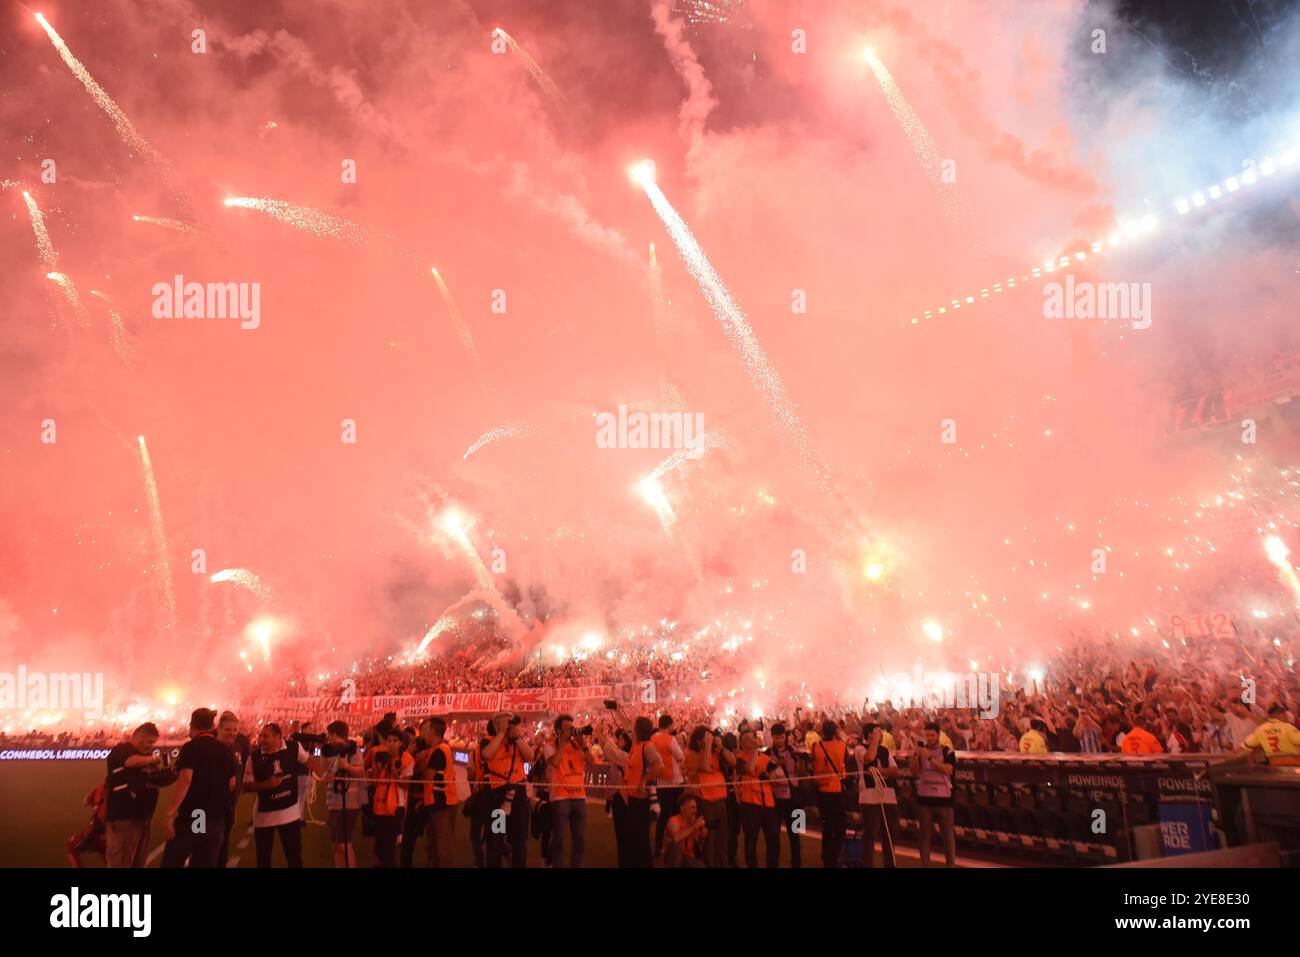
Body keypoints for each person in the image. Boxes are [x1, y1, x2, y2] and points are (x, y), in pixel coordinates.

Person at [161, 708, 238, 868]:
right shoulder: (226, 749)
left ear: (192, 725)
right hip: (216, 819)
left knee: (172, 862)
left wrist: (170, 813)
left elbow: (186, 779)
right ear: (212, 726)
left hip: (196, 816)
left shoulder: (192, 747)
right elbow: (232, 784)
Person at [597, 715, 664, 867]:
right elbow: (626, 727)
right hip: (634, 800)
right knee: (636, 841)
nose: (630, 731)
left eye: (633, 729)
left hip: (641, 801)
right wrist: (615, 710)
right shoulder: (637, 746)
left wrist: (644, 779)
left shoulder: (648, 747)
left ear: (638, 731)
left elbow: (659, 766)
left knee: (641, 843)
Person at [243, 723, 312, 868]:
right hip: (263, 818)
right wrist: (266, 784)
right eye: (260, 735)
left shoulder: (294, 747)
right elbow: (246, 786)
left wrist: (324, 774)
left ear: (278, 737)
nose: (261, 739)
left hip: (290, 815)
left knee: (294, 857)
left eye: (265, 736)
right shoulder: (254, 757)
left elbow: (308, 760)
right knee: (263, 859)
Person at [105, 722, 171, 868]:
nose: (150, 746)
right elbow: (130, 762)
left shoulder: (145, 756)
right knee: (120, 860)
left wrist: (168, 775)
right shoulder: (122, 749)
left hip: (143, 817)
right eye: (149, 742)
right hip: (123, 816)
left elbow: (153, 780)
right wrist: (152, 759)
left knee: (138, 861)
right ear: (139, 737)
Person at [480, 711, 533, 868]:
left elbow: (529, 756)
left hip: (518, 797)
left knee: (518, 842)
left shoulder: (517, 742)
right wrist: (502, 733)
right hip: (498, 797)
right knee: (496, 840)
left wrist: (516, 737)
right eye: (507, 723)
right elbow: (487, 754)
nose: (511, 726)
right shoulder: (488, 741)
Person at [545, 714, 598, 868]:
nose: (571, 732)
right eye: (568, 729)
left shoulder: (578, 745)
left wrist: (583, 745)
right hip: (560, 798)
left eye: (572, 728)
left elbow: (592, 763)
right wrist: (562, 743)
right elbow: (555, 762)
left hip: (579, 797)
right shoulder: (550, 745)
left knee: (579, 841)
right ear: (558, 730)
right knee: (559, 840)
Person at [685, 726, 732, 868]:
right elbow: (705, 766)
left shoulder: (715, 753)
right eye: (705, 738)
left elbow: (733, 761)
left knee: (722, 837)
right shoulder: (693, 755)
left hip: (720, 801)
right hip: (705, 802)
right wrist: (707, 745)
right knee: (709, 839)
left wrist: (721, 748)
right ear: (699, 741)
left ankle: (720, 863)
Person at [911, 721, 957, 867]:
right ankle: (925, 864)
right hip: (924, 799)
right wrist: (917, 756)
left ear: (938, 735)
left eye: (932, 735)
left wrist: (930, 757)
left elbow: (947, 769)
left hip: (944, 799)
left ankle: (951, 865)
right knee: (924, 836)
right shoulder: (921, 751)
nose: (929, 738)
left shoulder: (947, 751)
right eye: (927, 735)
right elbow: (913, 771)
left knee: (948, 836)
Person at [854, 723, 900, 867]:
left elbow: (895, 771)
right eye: (878, 733)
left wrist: (881, 771)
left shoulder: (885, 750)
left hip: (888, 797)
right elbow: (869, 757)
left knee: (889, 836)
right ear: (869, 734)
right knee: (870, 836)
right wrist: (874, 739)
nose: (881, 736)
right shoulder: (859, 748)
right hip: (869, 798)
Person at [415, 717, 459, 866]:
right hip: (437, 802)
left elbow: (428, 777)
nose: (422, 733)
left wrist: (420, 761)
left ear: (432, 731)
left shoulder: (439, 751)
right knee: (433, 845)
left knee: (442, 846)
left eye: (425, 729)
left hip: (442, 803)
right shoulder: (437, 749)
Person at [321, 720, 364, 868]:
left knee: (343, 844)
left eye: (329, 735)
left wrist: (347, 767)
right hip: (333, 802)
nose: (328, 738)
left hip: (349, 802)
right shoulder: (331, 751)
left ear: (333, 734)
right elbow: (326, 774)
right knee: (335, 844)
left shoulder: (352, 750)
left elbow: (360, 772)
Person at [368, 727, 414, 867]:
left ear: (401, 743)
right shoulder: (381, 756)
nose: (391, 743)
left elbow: (406, 786)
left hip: (395, 808)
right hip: (379, 806)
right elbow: (375, 781)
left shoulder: (407, 759)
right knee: (379, 847)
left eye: (395, 740)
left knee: (388, 848)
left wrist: (394, 773)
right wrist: (375, 770)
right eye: (389, 740)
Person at [736, 728, 781, 867]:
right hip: (749, 804)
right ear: (741, 744)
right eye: (747, 739)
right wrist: (756, 749)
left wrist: (770, 776)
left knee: (773, 840)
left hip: (768, 804)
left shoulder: (766, 758)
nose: (751, 741)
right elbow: (750, 768)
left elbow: (776, 777)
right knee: (750, 840)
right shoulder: (739, 759)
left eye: (752, 738)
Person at [811, 719, 847, 868]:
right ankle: (833, 858)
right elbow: (844, 749)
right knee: (839, 829)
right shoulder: (841, 746)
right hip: (837, 791)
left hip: (822, 791)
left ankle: (826, 858)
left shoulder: (815, 746)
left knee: (826, 828)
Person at [215, 711, 250, 868]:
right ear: (219, 729)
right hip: (202, 809)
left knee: (223, 841)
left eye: (235, 730)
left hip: (228, 804)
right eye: (228, 729)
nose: (232, 733)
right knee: (200, 839)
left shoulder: (237, 747)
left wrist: (233, 804)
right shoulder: (209, 747)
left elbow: (238, 773)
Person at [766, 722, 801, 868]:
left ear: (785, 736)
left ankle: (797, 864)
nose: (779, 740)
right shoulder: (767, 754)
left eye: (781, 737)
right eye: (776, 737)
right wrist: (777, 765)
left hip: (795, 798)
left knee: (796, 835)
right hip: (775, 799)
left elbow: (801, 771)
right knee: (773, 836)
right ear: (772, 737)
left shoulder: (794, 751)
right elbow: (766, 774)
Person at [650, 714, 685, 860]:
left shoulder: (652, 739)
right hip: (674, 782)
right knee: (677, 814)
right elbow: (681, 756)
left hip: (660, 782)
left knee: (664, 815)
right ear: (670, 725)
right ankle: (678, 845)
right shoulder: (670, 739)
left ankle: (658, 846)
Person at [664, 794, 708, 867]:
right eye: (692, 808)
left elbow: (698, 843)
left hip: (688, 857)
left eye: (696, 807)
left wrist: (703, 835)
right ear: (682, 808)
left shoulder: (694, 821)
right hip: (672, 857)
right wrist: (694, 827)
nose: (695, 810)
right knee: (676, 846)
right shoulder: (673, 821)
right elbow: (676, 838)